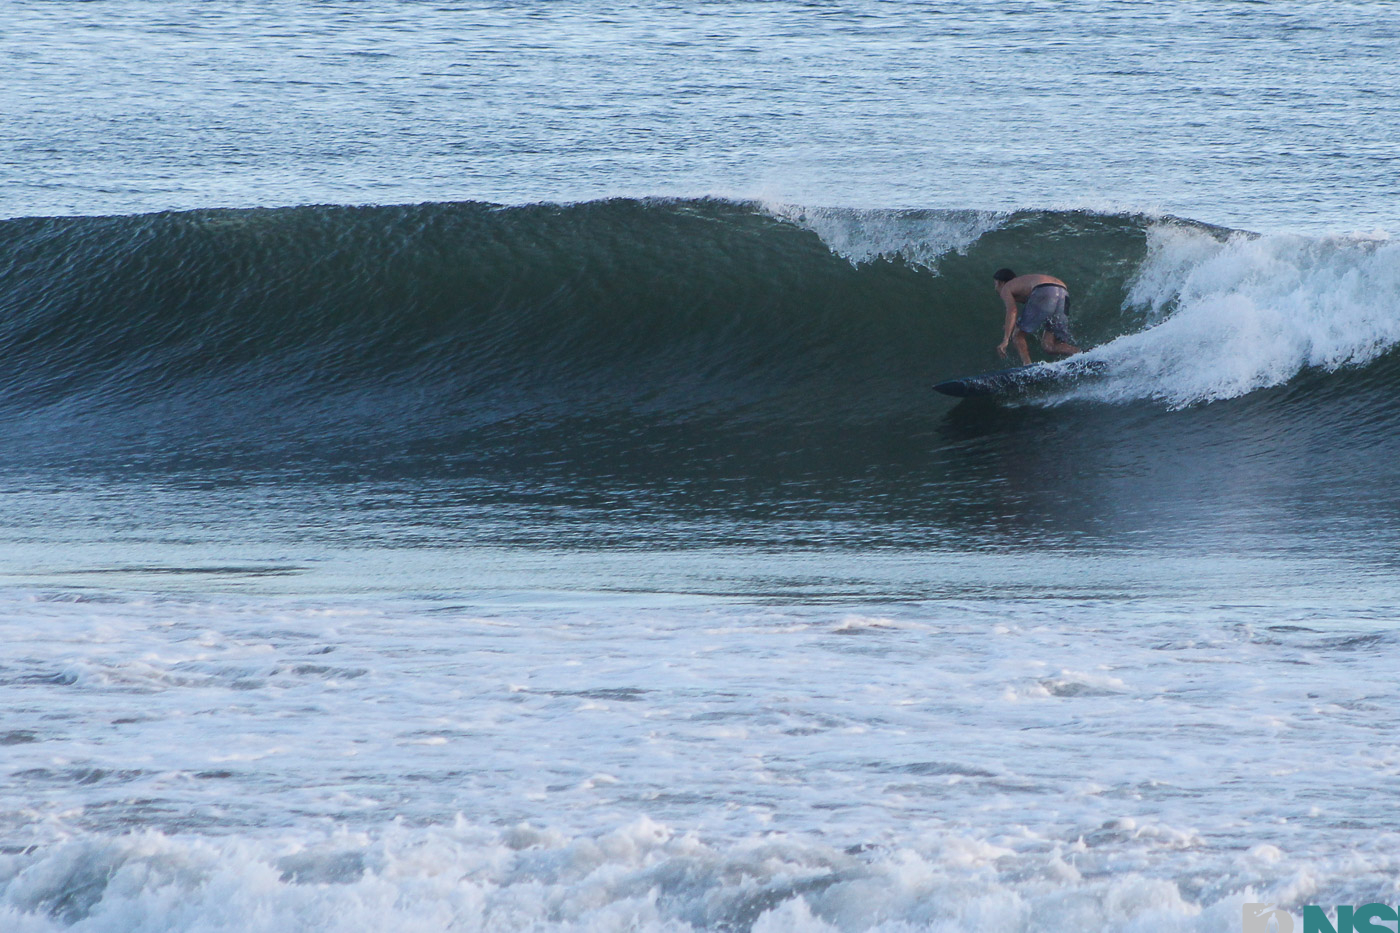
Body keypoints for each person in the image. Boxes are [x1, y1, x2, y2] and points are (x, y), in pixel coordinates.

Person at [992, 268, 1080, 365]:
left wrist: (1005, 340)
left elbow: (1012, 310)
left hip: (1044, 290)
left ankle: (1027, 365)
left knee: (1017, 336)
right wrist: (1010, 324)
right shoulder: (1021, 284)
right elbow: (1035, 309)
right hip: (1063, 292)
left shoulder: (1006, 287)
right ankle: (1084, 354)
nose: (995, 288)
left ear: (1001, 282)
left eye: (995, 284)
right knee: (1049, 346)